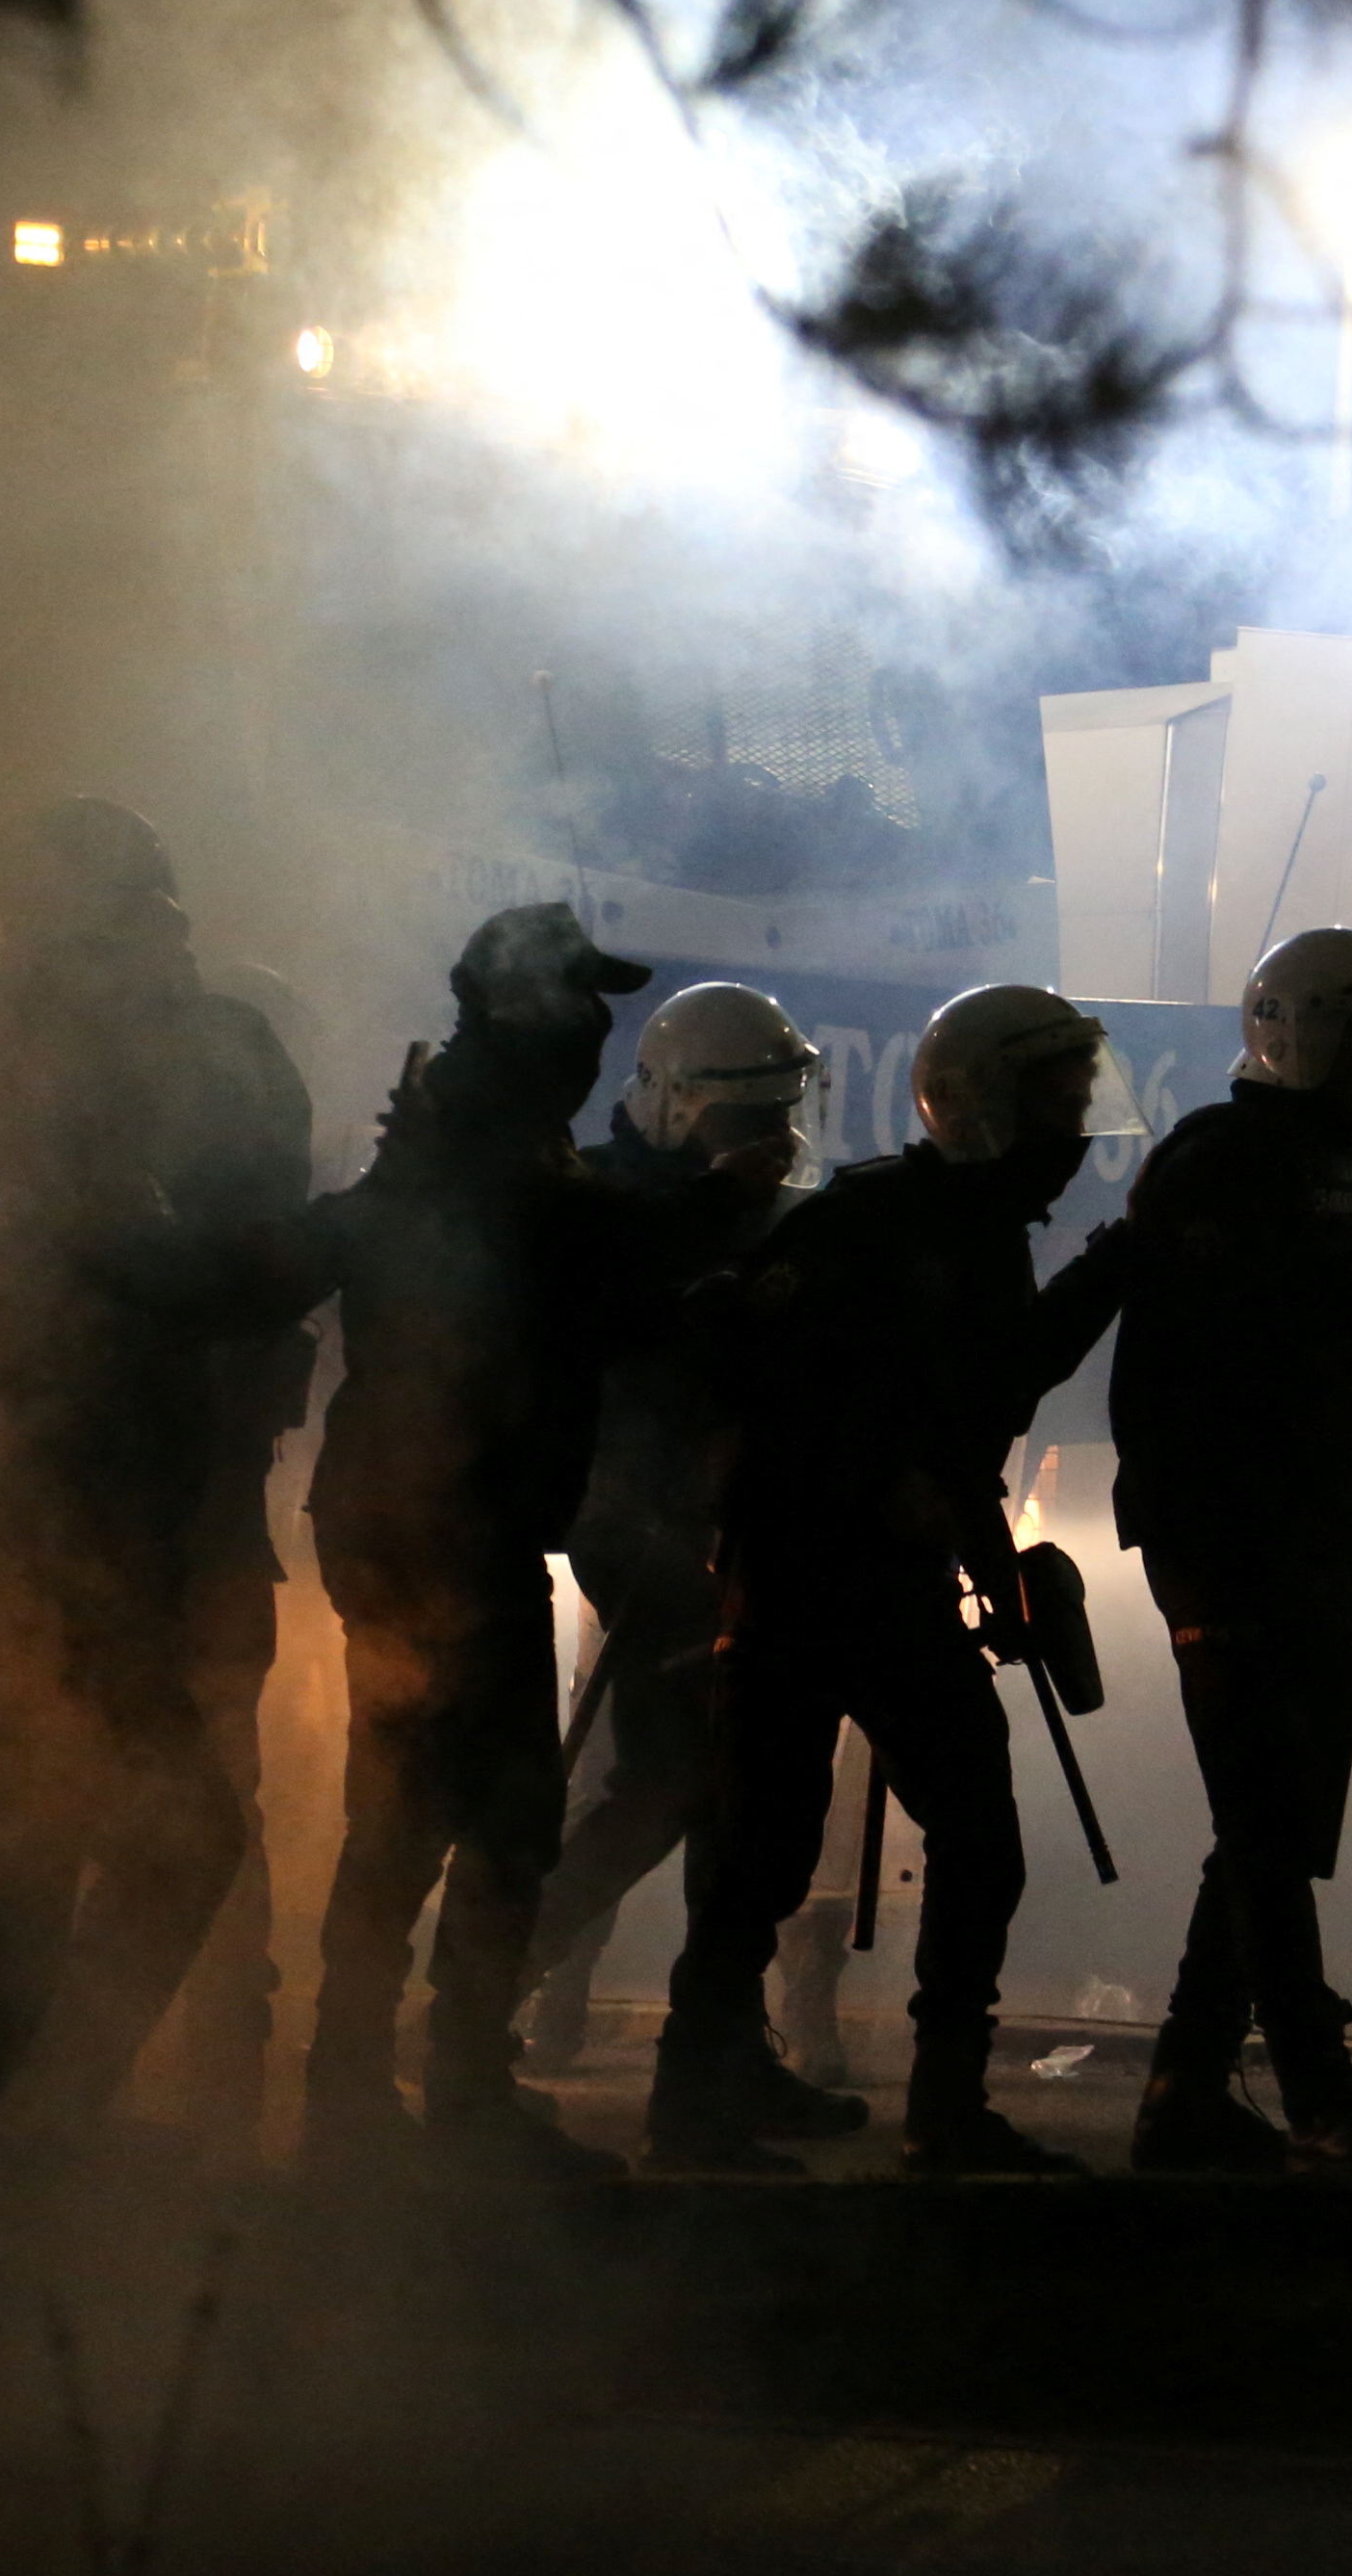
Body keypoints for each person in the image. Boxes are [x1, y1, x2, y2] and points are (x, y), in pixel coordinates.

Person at [0, 799, 318, 2250]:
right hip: (22, 1561)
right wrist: (353, 1230)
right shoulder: (46, 1096)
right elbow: (185, 1279)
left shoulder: (57, 1065)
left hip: (53, 1556)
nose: (166, 948)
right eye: (138, 921)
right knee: (47, 1863)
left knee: (79, 1858)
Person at [300, 903, 770, 2174]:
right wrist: (718, 1207)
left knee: (442, 1812)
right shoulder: (479, 1137)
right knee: (461, 1815)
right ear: (524, 1012)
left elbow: (582, 1302)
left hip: (446, 1515)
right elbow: (584, 1260)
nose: (595, 1030)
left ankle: (399, 2086)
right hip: (436, 1523)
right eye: (578, 1003)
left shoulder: (484, 1125)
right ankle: (419, 2096)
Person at [647, 982, 1131, 2178]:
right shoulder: (866, 1223)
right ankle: (694, 2106)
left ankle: (943, 2108)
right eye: (1056, 1104)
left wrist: (986, 1563)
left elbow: (982, 1403)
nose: (1073, 1134)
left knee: (975, 1837)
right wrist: (875, 1485)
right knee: (766, 1853)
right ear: (979, 1104)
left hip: (894, 1584)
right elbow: (753, 1379)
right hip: (802, 1580)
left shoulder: (978, 1234)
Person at [1106, 928, 1352, 2182]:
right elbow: (1202, 1363)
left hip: (1314, 1522)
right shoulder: (1218, 1161)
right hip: (1227, 1533)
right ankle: (1317, 2093)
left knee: (1273, 1813)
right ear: (1302, 1033)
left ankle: (1186, 2094)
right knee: (1262, 1813)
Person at [520, 982, 863, 2141]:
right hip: (645, 1524)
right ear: (676, 1101)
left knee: (735, 1788)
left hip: (736, 1524)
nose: (772, 1136)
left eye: (780, 1111)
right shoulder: (613, 1202)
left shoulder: (742, 1203)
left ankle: (716, 2040)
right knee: (672, 1778)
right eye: (746, 1114)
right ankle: (503, 1977)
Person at [175, 959, 325, 2157]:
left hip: (187, 1553)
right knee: (218, 1805)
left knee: (183, 1805)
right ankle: (222, 2056)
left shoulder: (158, 1241)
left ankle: (204, 2056)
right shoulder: (258, 1252)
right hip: (211, 1553)